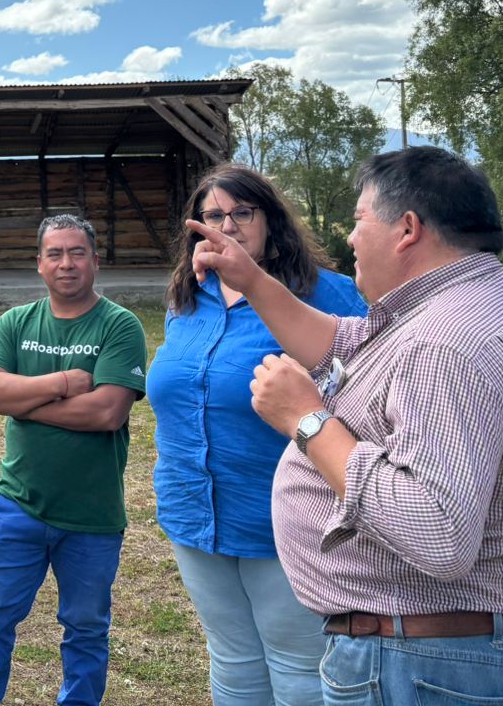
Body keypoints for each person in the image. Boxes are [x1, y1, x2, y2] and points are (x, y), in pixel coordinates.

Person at [190, 147, 503, 705]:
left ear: (407, 229)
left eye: (359, 220)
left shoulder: (444, 344)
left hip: (428, 664)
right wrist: (250, 278)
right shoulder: (472, 302)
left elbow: (438, 530)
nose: (349, 238)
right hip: (466, 650)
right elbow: (342, 343)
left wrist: (307, 421)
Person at [149, 164, 367, 705]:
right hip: (194, 513)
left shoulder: (326, 295)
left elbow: (371, 396)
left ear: (270, 220)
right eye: (214, 215)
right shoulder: (185, 301)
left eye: (242, 212)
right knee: (232, 659)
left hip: (286, 519)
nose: (228, 225)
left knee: (299, 670)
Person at [0, 214, 149, 706]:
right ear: (40, 264)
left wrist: (22, 399)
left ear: (96, 262)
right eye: (56, 254)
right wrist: (62, 384)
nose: (67, 263)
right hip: (17, 504)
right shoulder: (16, 323)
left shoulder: (119, 325)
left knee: (85, 630)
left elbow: (107, 411)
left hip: (92, 514)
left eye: (77, 252)